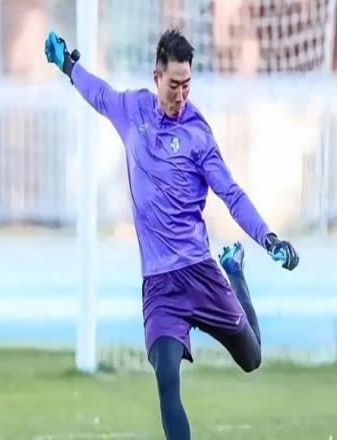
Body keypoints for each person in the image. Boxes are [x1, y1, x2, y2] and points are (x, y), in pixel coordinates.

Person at [45, 28, 299, 440]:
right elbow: (100, 95)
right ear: (157, 77)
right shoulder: (133, 110)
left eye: (187, 85)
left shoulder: (198, 134)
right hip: (160, 284)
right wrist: (68, 67)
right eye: (174, 84)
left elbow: (231, 194)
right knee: (166, 375)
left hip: (200, 273)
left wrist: (268, 238)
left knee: (251, 359)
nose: (181, 95)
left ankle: (235, 273)